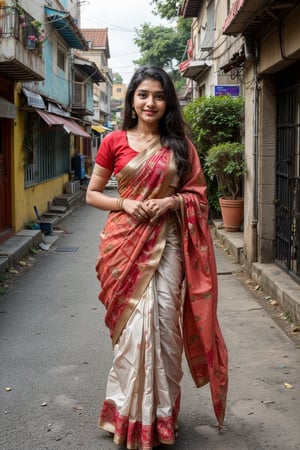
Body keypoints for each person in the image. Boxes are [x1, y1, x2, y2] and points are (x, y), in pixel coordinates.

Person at [86, 65, 228, 449]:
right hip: (122, 244)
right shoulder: (113, 141)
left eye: (159, 95)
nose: (151, 102)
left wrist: (170, 201)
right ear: (132, 99)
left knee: (164, 328)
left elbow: (198, 197)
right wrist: (126, 204)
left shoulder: (180, 145)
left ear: (168, 102)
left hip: (166, 246)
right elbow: (92, 194)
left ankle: (160, 417)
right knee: (132, 334)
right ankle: (125, 413)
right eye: (143, 94)